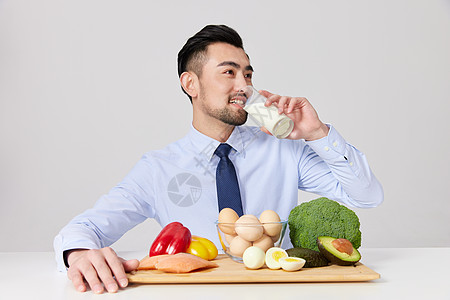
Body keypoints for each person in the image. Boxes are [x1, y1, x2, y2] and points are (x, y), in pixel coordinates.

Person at [54, 24, 383, 293]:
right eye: (229, 72)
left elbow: (366, 196)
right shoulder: (158, 169)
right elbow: (83, 229)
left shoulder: (284, 149)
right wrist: (79, 254)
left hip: (279, 291)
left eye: (248, 75)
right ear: (190, 83)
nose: (244, 86)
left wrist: (317, 133)